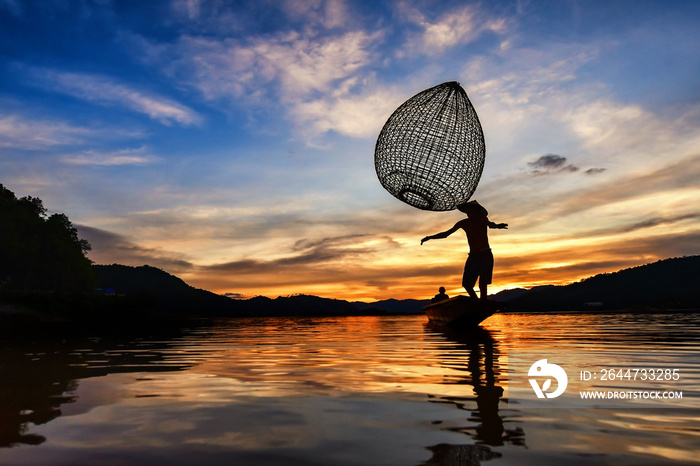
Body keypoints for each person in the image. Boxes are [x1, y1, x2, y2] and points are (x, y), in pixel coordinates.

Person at [421, 200, 507, 300]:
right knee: (467, 284)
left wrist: (497, 226)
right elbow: (446, 234)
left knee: (483, 283)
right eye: (467, 211)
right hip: (473, 256)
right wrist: (429, 237)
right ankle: (476, 302)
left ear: (476, 211)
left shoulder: (482, 219)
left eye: (470, 210)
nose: (468, 213)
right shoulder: (463, 223)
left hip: (485, 255)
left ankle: (483, 302)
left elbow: (491, 224)